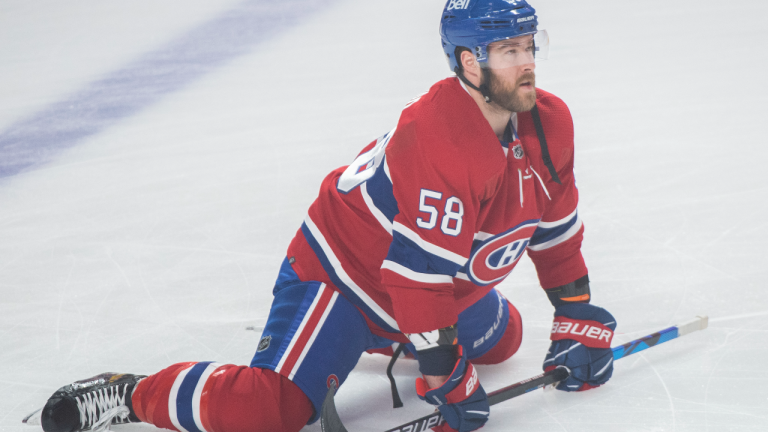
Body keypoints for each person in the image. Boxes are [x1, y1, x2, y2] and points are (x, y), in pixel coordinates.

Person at [36, 1, 617, 432]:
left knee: (504, 340)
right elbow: (415, 278)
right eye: (509, 52)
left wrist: (575, 316)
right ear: (468, 61)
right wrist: (442, 371)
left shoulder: (550, 121)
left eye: (529, 46)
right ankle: (131, 393)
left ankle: (384, 340)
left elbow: (554, 228)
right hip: (345, 279)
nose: (527, 64)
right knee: (270, 410)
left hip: (431, 285)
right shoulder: (439, 138)